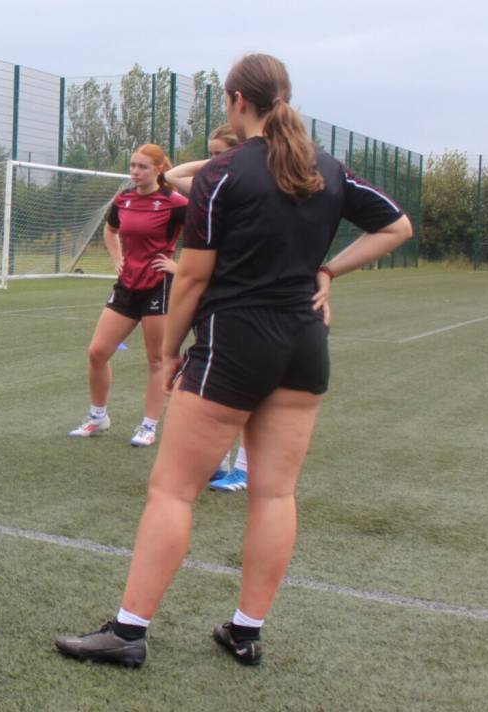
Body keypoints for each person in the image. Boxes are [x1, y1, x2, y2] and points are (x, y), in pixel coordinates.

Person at [54, 53, 412, 668]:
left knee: (172, 491)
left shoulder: (226, 174)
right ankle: (246, 632)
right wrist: (327, 268)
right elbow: (397, 226)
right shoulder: (326, 167)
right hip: (304, 343)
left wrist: (167, 356)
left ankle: (129, 633)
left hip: (235, 342)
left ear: (236, 100)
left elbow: (192, 279)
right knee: (274, 495)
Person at [68, 144, 188, 448]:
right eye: (133, 166)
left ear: (159, 169)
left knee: (155, 359)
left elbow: (207, 238)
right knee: (97, 352)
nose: (135, 172)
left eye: (142, 167)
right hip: (126, 285)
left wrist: (178, 266)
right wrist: (117, 259)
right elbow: (110, 231)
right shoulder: (123, 200)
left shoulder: (175, 203)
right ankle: (98, 416)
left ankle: (148, 425)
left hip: (158, 286)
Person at [166, 125, 251, 492]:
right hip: (213, 301)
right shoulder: (210, 188)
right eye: (211, 155)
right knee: (211, 384)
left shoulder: (249, 192)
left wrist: (233, 158)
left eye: (222, 155)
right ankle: (217, 463)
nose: (215, 163)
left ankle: (245, 469)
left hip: (243, 299)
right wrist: (218, 161)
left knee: (247, 388)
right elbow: (171, 175)